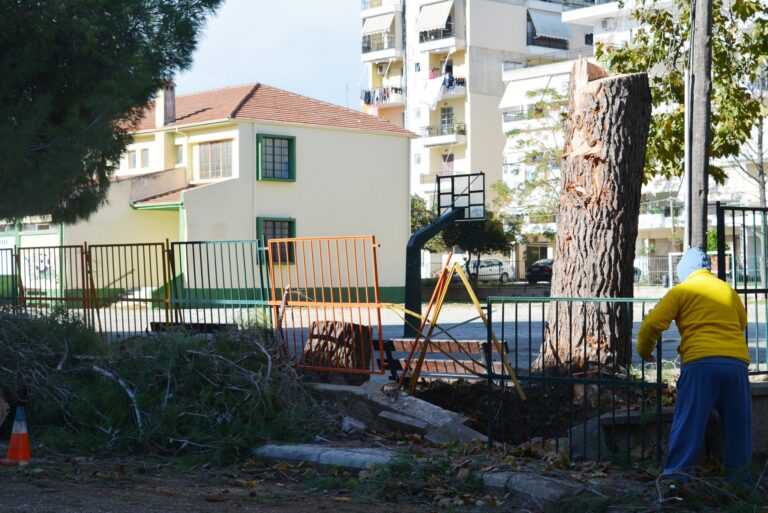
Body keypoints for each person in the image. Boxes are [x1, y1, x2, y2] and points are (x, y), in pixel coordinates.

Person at [637, 247, 751, 485]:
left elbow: (652, 325)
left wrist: (644, 352)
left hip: (701, 363)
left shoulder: (681, 291)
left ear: (684, 272)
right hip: (736, 363)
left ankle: (675, 480)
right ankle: (741, 484)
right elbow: (742, 322)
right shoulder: (728, 290)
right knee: (738, 425)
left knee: (689, 421)